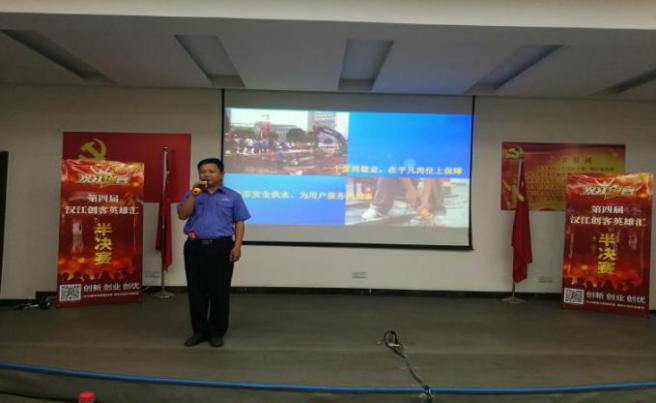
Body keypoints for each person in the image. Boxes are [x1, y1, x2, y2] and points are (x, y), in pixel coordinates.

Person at [177, 158, 251, 348]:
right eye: (203, 171)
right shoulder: (192, 194)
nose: (207, 175)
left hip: (221, 247)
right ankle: (199, 331)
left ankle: (216, 331)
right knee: (196, 291)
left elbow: (239, 222)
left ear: (222, 174)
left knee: (219, 291)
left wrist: (237, 246)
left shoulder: (233, 196)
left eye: (211, 171)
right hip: (195, 247)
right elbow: (182, 215)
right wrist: (194, 195)